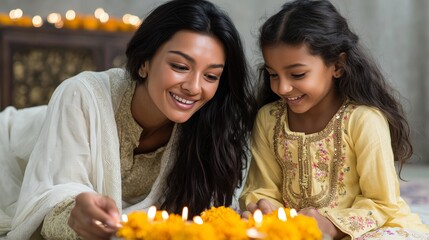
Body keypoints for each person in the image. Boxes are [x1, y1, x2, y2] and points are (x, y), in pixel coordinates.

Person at [0, 0, 257, 239]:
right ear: (144, 62)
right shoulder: (81, 94)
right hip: (10, 162)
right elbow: (49, 202)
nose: (194, 87)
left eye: (211, 76)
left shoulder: (211, 127)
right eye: (180, 66)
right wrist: (74, 215)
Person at [239, 0, 429, 239]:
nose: (282, 87)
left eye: (297, 74)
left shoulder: (363, 120)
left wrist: (331, 225)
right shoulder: (269, 119)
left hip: (372, 228)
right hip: (300, 231)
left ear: (337, 65)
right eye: (273, 75)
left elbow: (381, 203)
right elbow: (261, 189)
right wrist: (266, 209)